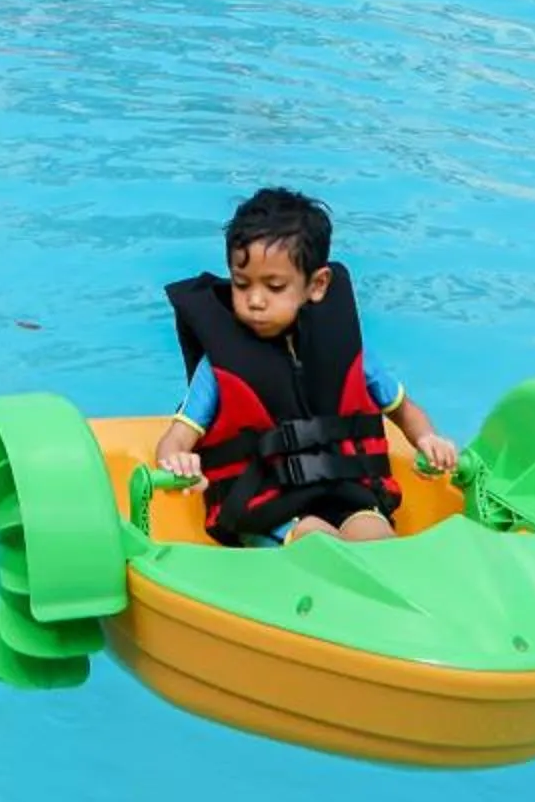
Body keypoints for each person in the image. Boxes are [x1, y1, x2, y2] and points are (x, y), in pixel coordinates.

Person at [156, 185, 457, 544]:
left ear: (317, 284)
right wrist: (178, 462)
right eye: (241, 284)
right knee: (318, 543)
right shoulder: (219, 365)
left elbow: (406, 411)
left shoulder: (347, 349)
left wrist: (428, 439)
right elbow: (174, 442)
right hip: (268, 508)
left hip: (348, 493)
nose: (254, 300)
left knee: (377, 537)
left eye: (275, 286)